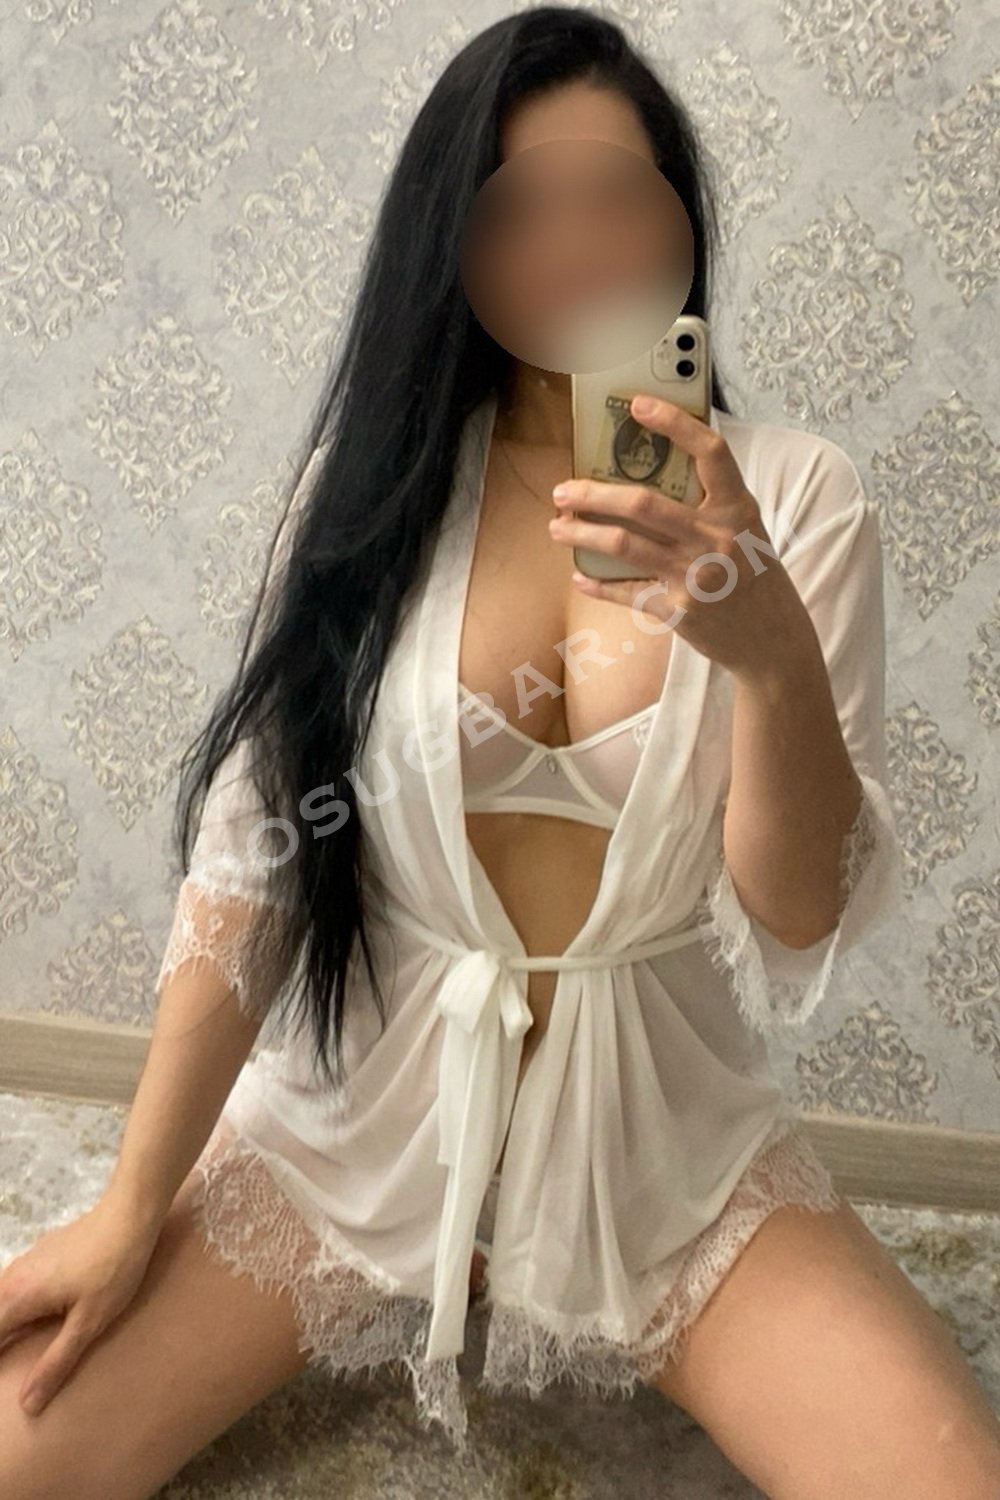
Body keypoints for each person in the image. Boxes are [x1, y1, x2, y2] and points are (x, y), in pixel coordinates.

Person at [2, 9, 999, 1498]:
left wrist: (769, 651)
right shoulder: (373, 491)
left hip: (661, 1149)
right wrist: (132, 1203)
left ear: (681, 218)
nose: (574, 246)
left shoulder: (796, 494)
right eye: (518, 209)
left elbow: (796, 912)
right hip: (361, 1120)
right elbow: (257, 860)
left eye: (615, 195)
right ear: (450, 245)